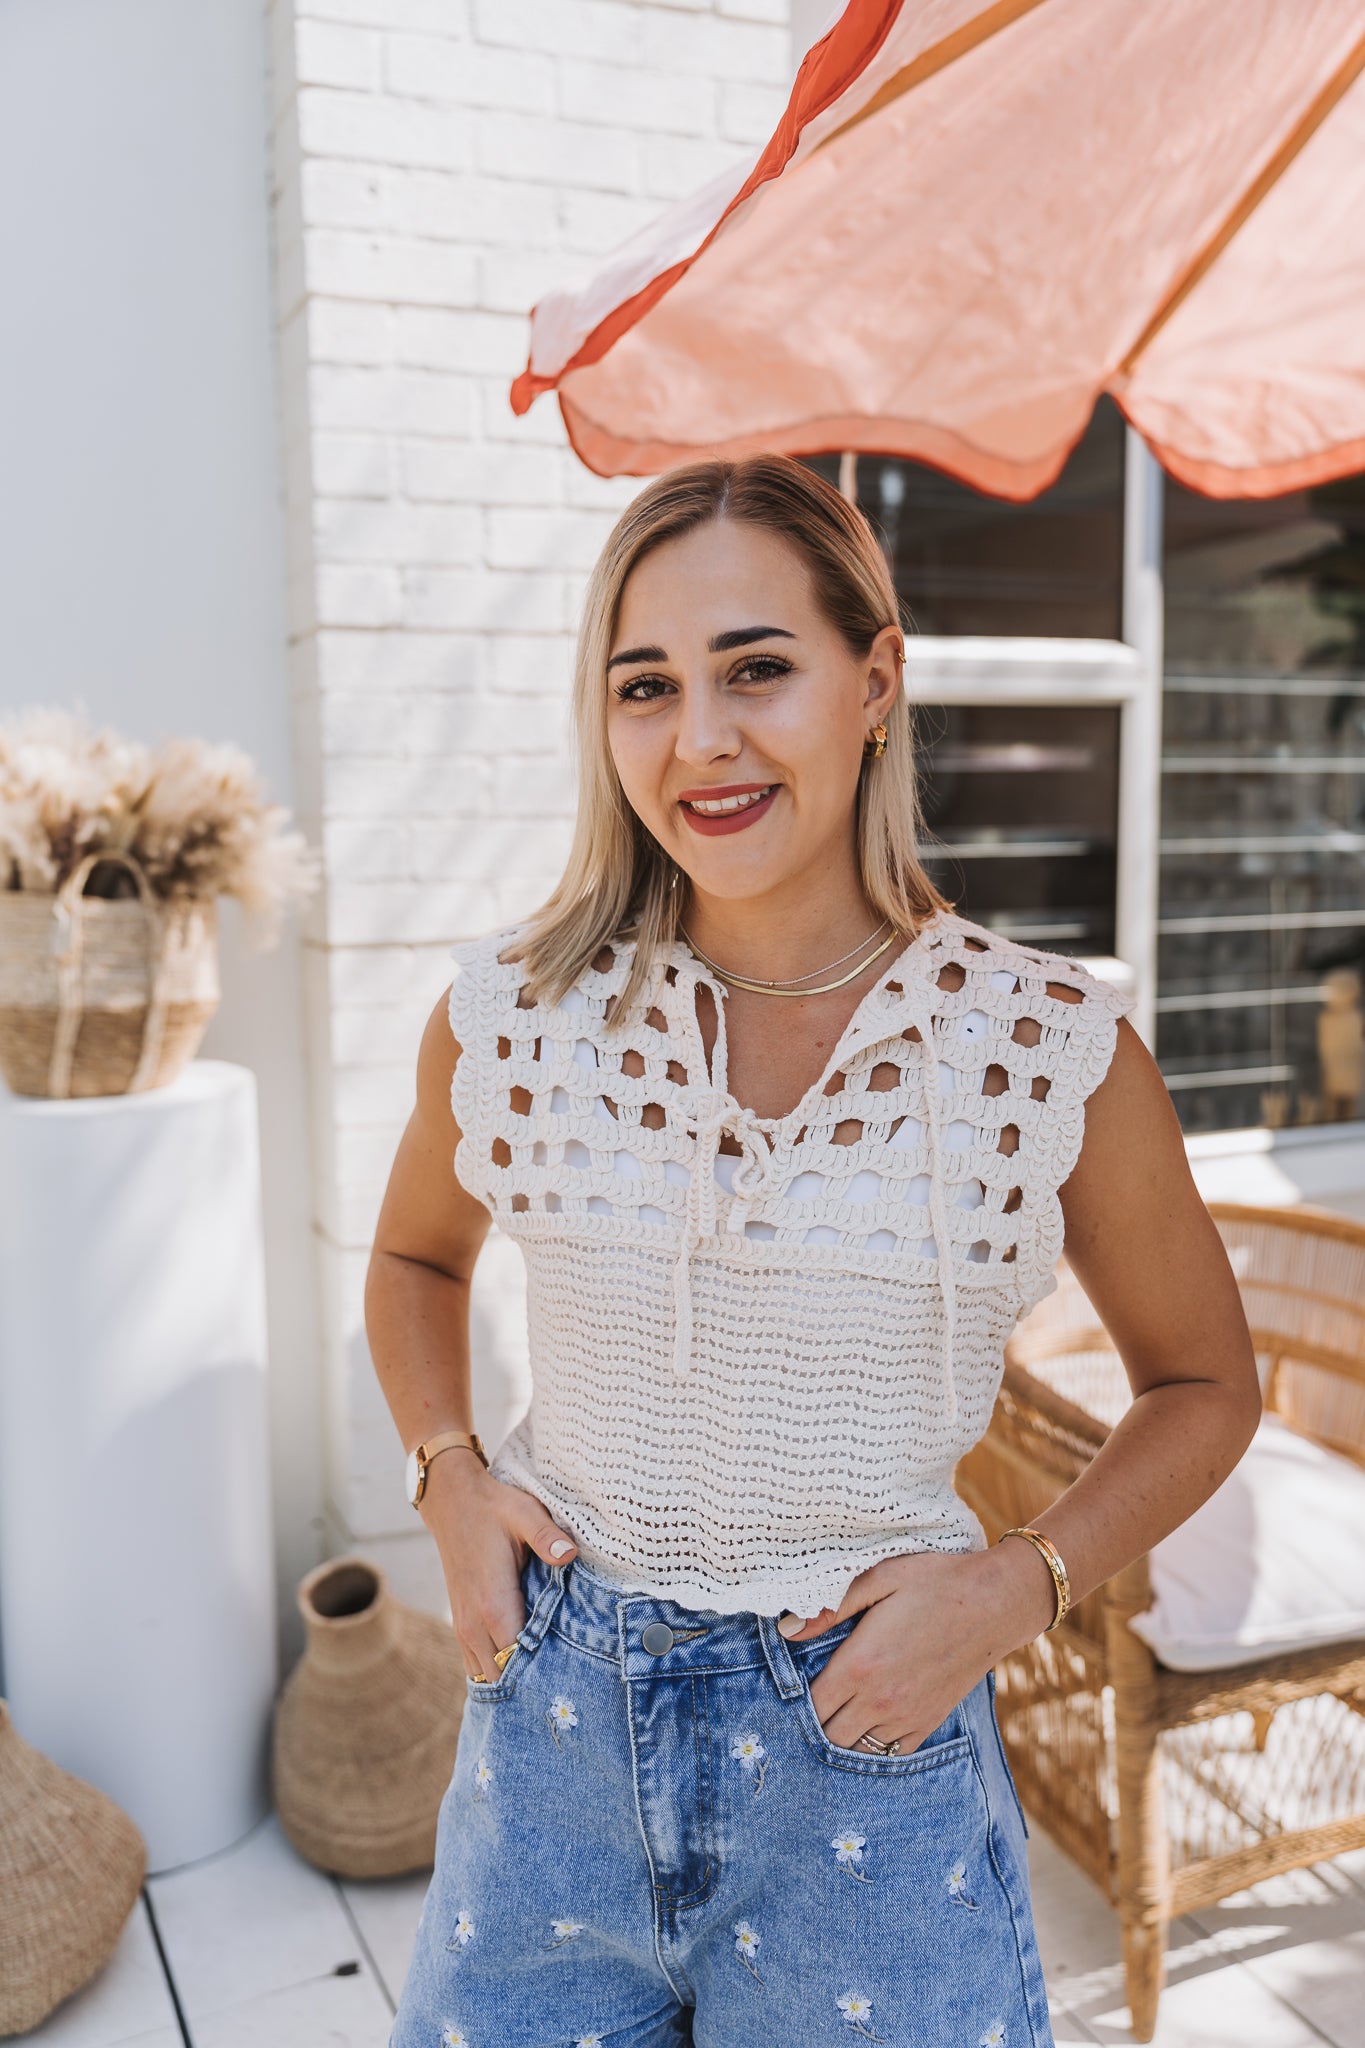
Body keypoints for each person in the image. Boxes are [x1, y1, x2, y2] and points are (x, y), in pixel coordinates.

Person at [369, 455, 1260, 2048]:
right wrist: (446, 1475)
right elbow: (415, 1263)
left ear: (876, 676)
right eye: (645, 685)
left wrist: (1021, 1581)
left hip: (867, 1745)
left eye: (757, 668)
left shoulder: (1042, 1052)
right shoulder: (513, 1018)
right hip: (551, 1752)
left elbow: (1201, 1383)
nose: (700, 738)